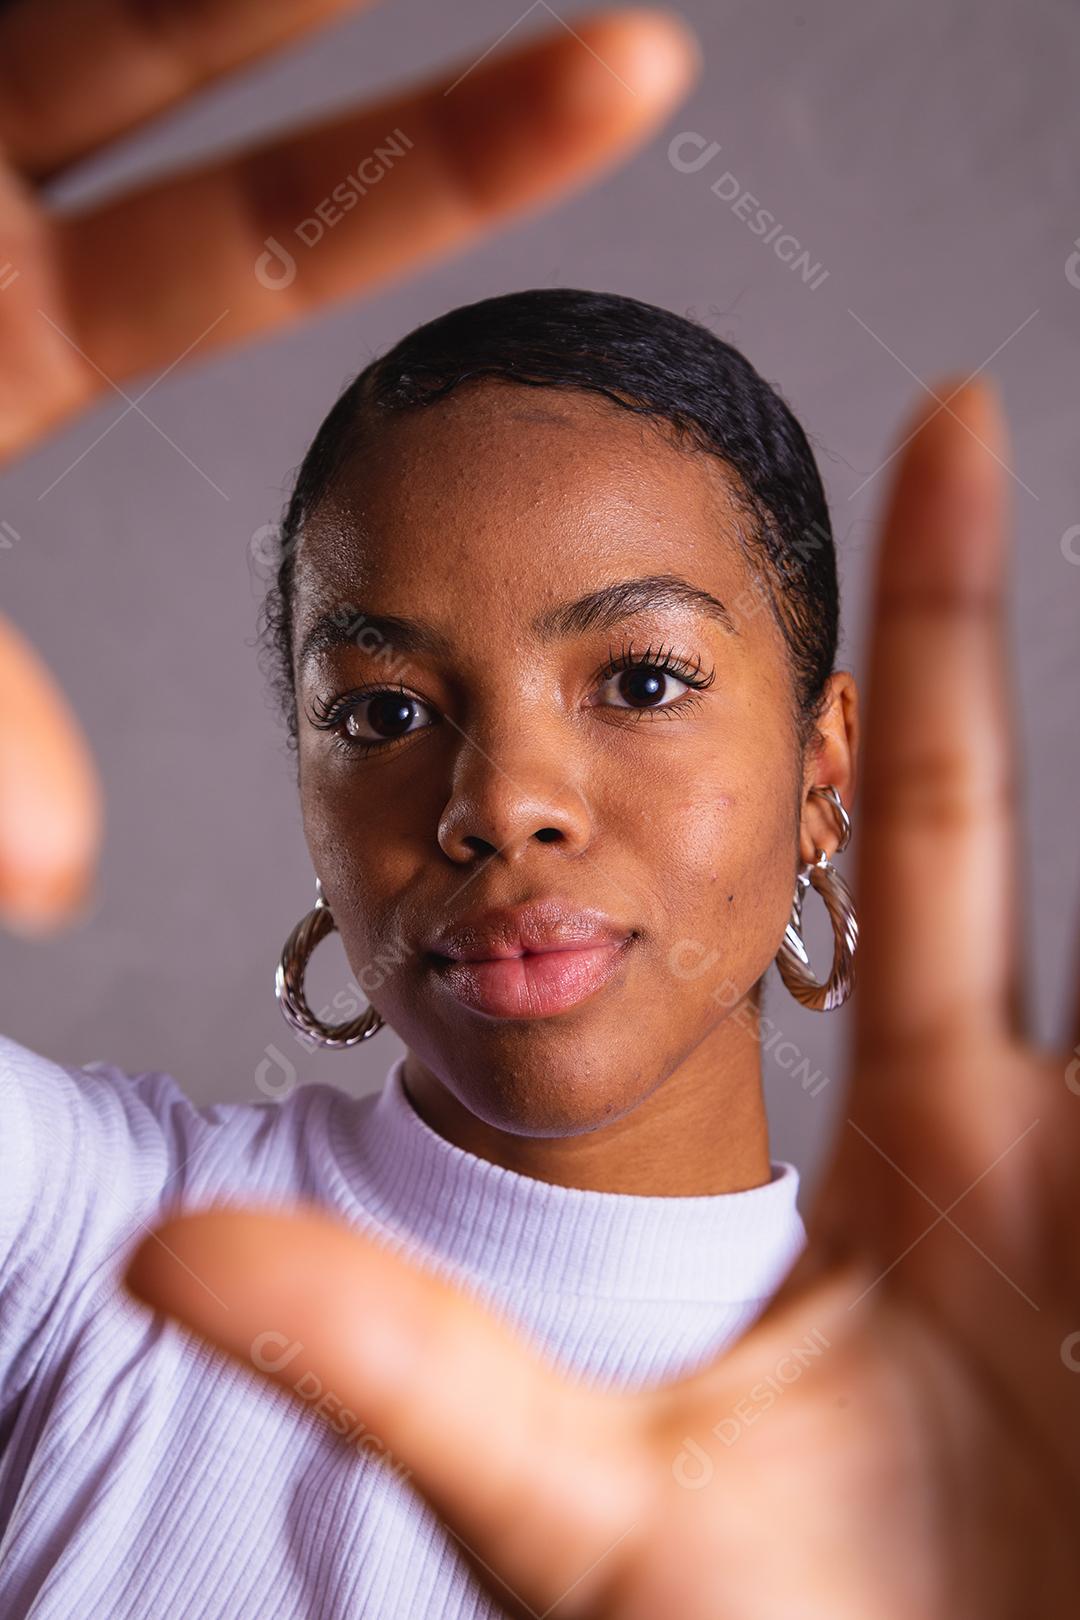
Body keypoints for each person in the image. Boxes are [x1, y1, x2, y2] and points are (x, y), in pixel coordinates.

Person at [2, 13, 1076, 1620]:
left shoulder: (998, 1416)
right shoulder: (78, 1240)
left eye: (641, 682)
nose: (499, 804)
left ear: (824, 769)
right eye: (382, 713)